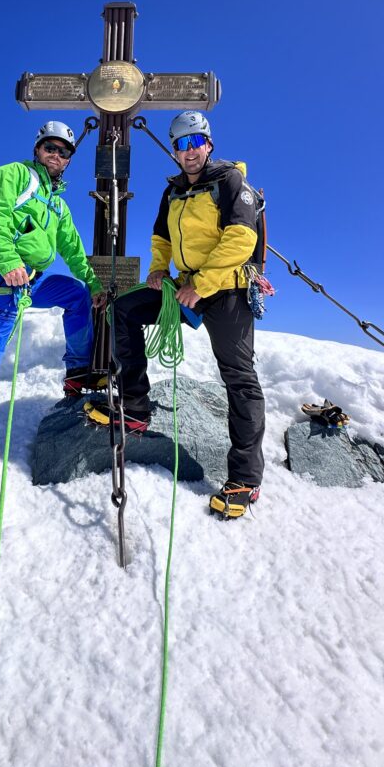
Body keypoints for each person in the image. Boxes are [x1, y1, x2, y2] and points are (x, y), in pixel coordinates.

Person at [86, 111, 265, 519]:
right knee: (124, 309)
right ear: (174, 151)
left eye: (194, 142)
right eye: (180, 145)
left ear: (209, 143)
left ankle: (246, 479)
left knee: (239, 378)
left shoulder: (230, 182)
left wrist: (201, 283)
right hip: (184, 288)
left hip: (226, 289)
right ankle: (134, 405)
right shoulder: (173, 193)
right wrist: (156, 268)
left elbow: (241, 239)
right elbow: (161, 237)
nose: (188, 152)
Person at [0, 121, 105, 508]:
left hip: (30, 283)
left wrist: (95, 283)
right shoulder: (13, 176)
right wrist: (9, 260)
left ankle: (79, 371)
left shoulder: (58, 205)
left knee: (77, 295)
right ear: (38, 149)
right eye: (51, 148)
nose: (57, 155)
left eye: (65, 152)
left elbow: (73, 249)